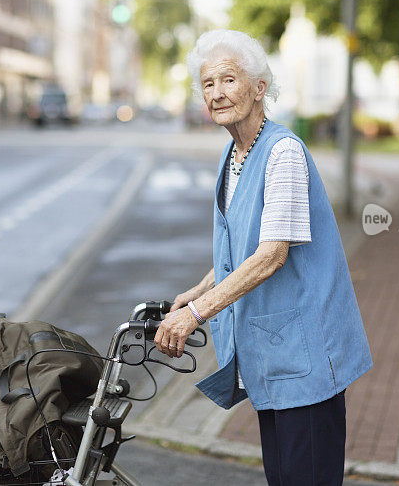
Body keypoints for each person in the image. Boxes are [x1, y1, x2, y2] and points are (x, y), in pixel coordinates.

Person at [153, 29, 372, 486]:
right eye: (208, 84)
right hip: (275, 358)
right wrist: (197, 289)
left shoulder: (283, 153)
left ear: (259, 88)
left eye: (228, 80)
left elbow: (272, 254)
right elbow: (245, 245)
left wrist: (197, 313)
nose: (217, 93)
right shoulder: (234, 153)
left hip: (306, 358)